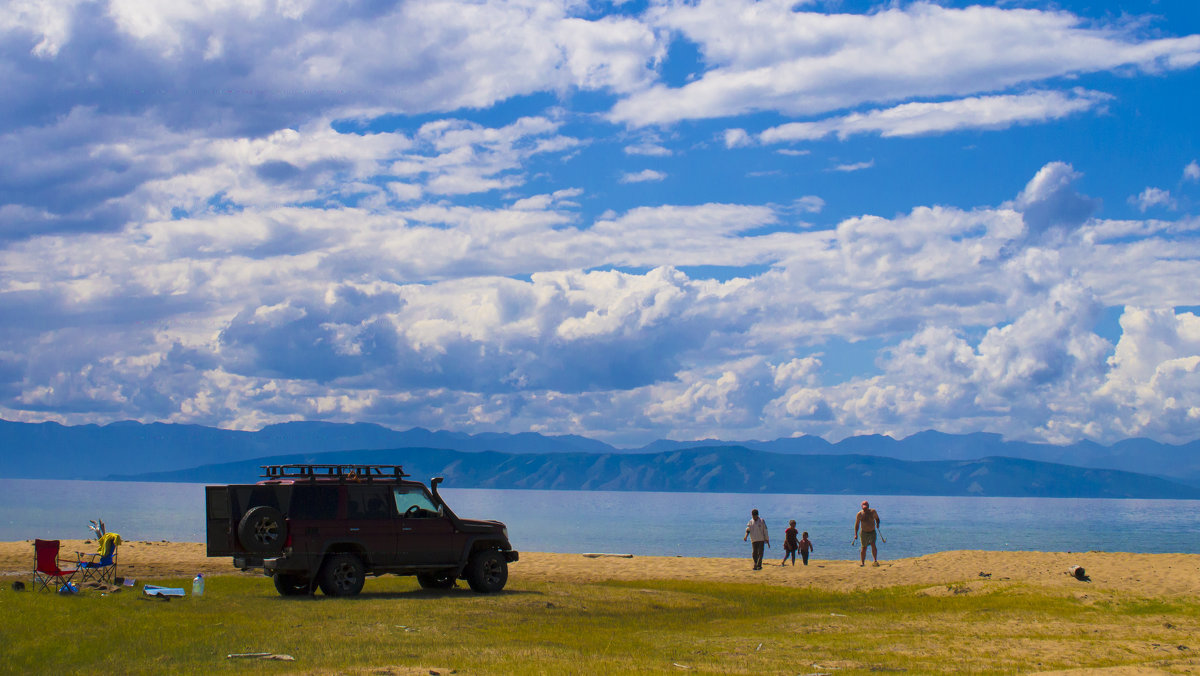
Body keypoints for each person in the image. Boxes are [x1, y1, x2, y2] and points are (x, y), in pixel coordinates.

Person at [854, 500, 881, 566]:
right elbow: (857, 524)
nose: (865, 509)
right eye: (864, 508)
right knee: (864, 547)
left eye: (866, 507)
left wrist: (877, 524)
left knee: (873, 544)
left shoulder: (873, 512)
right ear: (862, 507)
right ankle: (862, 563)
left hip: (872, 531)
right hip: (864, 532)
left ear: (868, 506)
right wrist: (855, 534)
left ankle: (875, 560)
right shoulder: (859, 514)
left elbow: (877, 519)